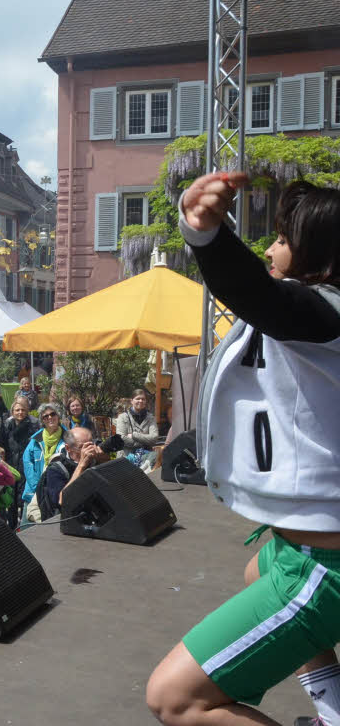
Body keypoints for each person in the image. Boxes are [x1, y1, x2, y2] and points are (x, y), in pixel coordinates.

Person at [146, 176, 340, 726]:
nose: (272, 249)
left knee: (174, 698)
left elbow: (256, 294)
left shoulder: (324, 315)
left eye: (283, 238)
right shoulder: (314, 319)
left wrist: (206, 236)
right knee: (259, 568)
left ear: (318, 253)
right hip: (301, 548)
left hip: (328, 568)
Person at [29, 427, 105, 523]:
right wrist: (81, 465)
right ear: (68, 448)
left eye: (91, 444)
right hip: (65, 523)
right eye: (82, 447)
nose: (89, 450)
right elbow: (62, 500)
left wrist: (103, 460)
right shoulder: (56, 469)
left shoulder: (95, 461)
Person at [20, 403, 66, 527]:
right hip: (33, 491)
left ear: (58, 416)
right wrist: (37, 486)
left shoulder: (68, 438)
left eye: (53, 414)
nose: (50, 418)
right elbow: (27, 462)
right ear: (42, 420)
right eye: (45, 416)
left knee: (50, 528)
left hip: (55, 492)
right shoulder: (36, 440)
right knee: (26, 529)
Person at [116, 389, 159, 468]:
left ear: (146, 401)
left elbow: (154, 438)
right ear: (132, 401)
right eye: (138, 398)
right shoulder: (122, 417)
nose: (141, 401)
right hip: (126, 458)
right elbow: (121, 438)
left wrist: (134, 435)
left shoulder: (151, 418)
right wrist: (144, 441)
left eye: (143, 399)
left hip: (145, 458)